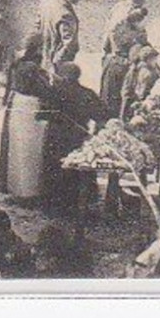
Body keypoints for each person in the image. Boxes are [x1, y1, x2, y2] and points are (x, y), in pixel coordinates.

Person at [41, 63, 107, 218]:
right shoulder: (86, 93)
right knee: (78, 170)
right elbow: (102, 113)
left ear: (62, 75)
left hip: (55, 137)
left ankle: (55, 206)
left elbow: (41, 114)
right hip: (77, 137)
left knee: (56, 169)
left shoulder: (53, 93)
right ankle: (81, 204)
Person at [0, 37, 53, 202]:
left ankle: (17, 188)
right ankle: (29, 191)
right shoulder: (33, 69)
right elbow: (43, 90)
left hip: (16, 106)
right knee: (30, 151)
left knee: (17, 149)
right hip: (30, 108)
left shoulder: (17, 64)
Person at [35, 0, 85, 77]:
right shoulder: (66, 14)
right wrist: (58, 64)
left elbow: (37, 26)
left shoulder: (45, 2)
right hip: (56, 64)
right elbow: (69, 43)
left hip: (42, 56)